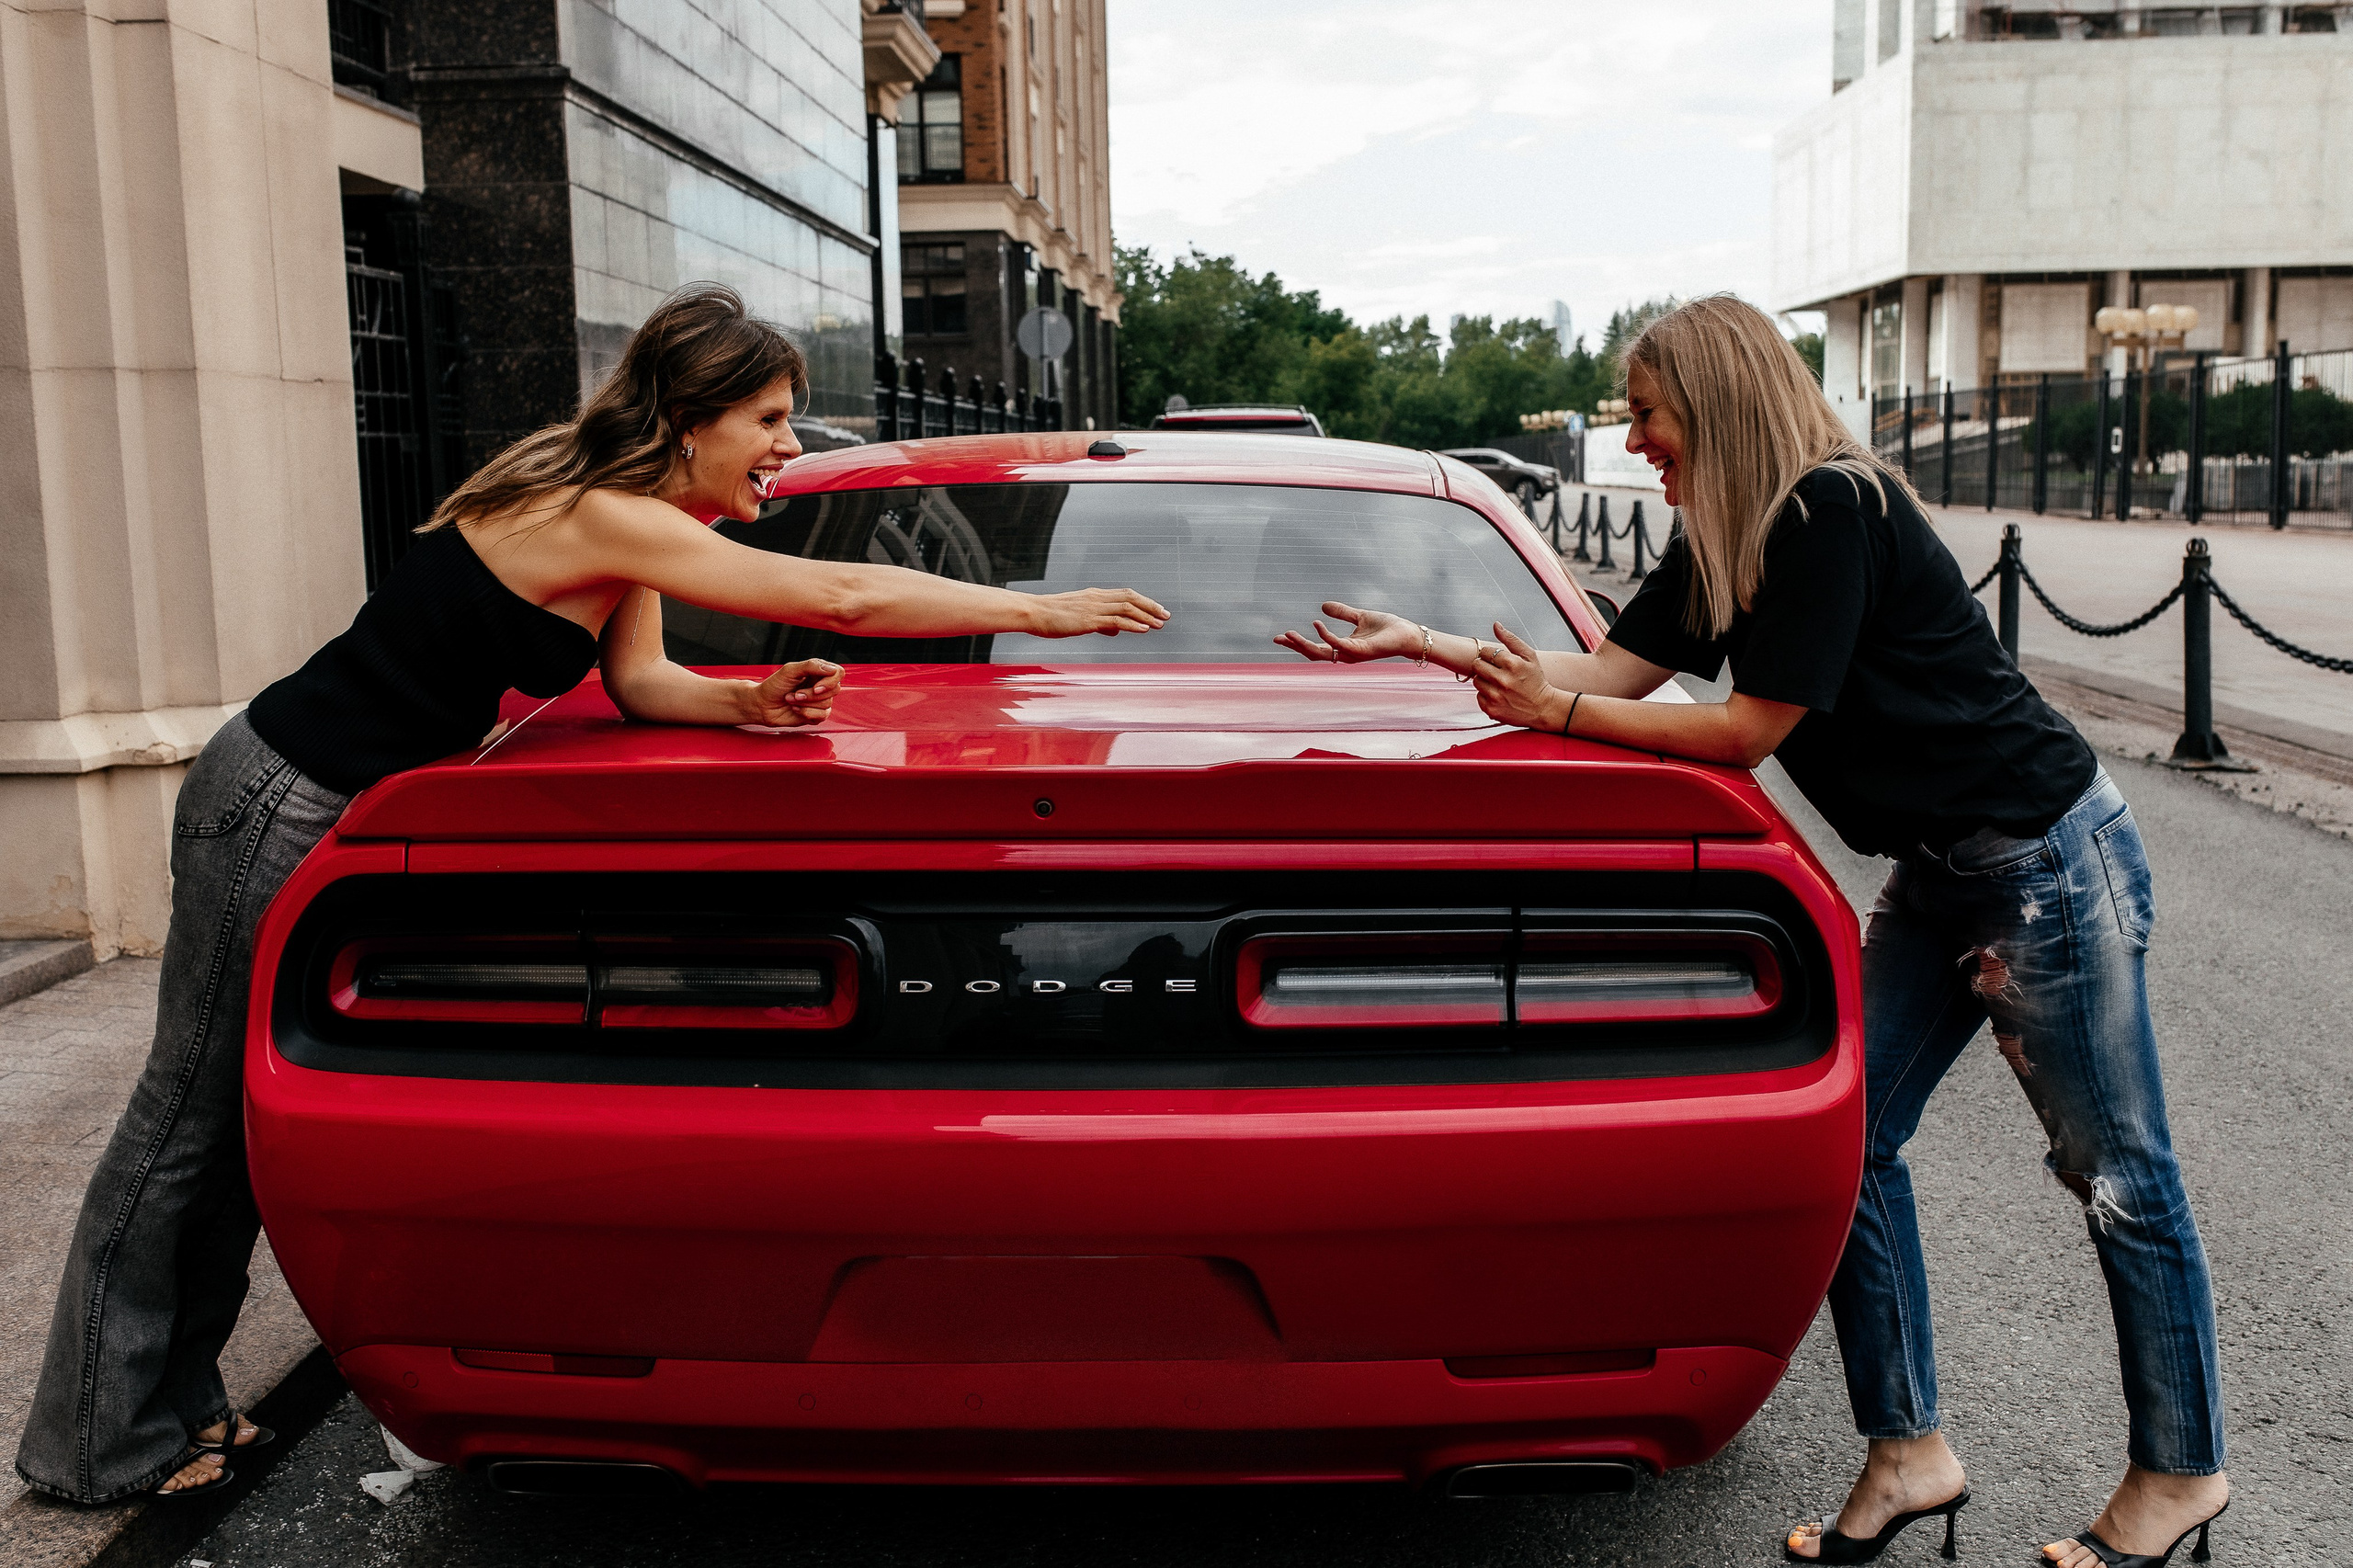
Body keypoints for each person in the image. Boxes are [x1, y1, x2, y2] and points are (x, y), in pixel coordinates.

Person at [16, 283, 1167, 1506]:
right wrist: (1044, 610)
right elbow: (842, 597)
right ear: (691, 414)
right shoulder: (602, 511)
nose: (789, 443)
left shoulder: (628, 526)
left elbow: (646, 681)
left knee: (231, 1135)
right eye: (770, 416)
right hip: (277, 793)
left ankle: (172, 1404)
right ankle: (96, 1438)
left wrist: (747, 702)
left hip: (316, 798)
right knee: (184, 1122)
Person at [1277, 296, 2227, 1568]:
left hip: (2045, 855)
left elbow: (1743, 731)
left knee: (2116, 1172)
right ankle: (1910, 1452)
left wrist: (1553, 724)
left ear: (1715, 401)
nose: (1637, 440)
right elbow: (1600, 680)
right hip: (1944, 869)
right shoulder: (1719, 539)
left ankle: (2181, 1469)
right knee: (1853, 1147)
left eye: (1649, 414)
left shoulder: (1833, 509)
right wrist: (1428, 647)